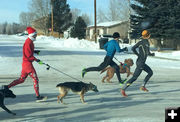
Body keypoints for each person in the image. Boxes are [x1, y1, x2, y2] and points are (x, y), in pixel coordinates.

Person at [4, 27, 46, 102]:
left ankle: (7, 87)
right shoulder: (28, 42)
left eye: (36, 35)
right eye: (35, 35)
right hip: (28, 65)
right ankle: (38, 96)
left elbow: (29, 52)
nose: (36, 36)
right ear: (31, 35)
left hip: (25, 64)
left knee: (21, 80)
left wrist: (35, 51)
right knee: (35, 79)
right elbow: (28, 55)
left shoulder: (30, 42)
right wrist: (37, 60)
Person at [120, 30, 155, 97]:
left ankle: (143, 86)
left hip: (140, 62)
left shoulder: (141, 42)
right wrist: (150, 54)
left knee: (150, 72)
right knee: (134, 77)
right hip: (141, 63)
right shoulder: (146, 43)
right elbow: (147, 52)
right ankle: (123, 89)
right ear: (148, 35)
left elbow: (133, 48)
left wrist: (138, 54)